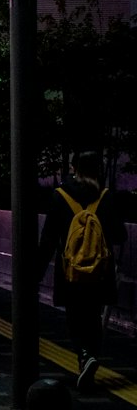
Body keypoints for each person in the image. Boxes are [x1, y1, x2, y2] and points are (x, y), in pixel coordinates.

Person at [37, 150, 127, 392]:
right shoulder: (106, 197)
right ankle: (91, 355)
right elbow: (120, 235)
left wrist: (36, 273)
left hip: (71, 270)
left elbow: (48, 238)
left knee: (75, 316)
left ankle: (84, 355)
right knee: (93, 315)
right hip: (99, 271)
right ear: (98, 169)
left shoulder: (60, 196)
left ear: (74, 168)